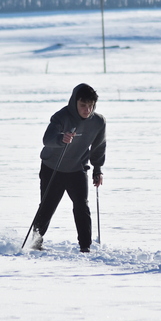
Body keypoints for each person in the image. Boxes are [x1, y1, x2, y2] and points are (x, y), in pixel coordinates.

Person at [31, 83, 106, 253]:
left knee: (82, 206)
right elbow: (47, 139)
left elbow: (99, 147)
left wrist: (97, 169)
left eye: (90, 106)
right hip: (53, 168)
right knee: (47, 206)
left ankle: (85, 246)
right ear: (74, 103)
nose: (87, 110)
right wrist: (60, 138)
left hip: (77, 168)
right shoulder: (61, 117)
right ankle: (35, 241)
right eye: (83, 105)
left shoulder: (98, 122)